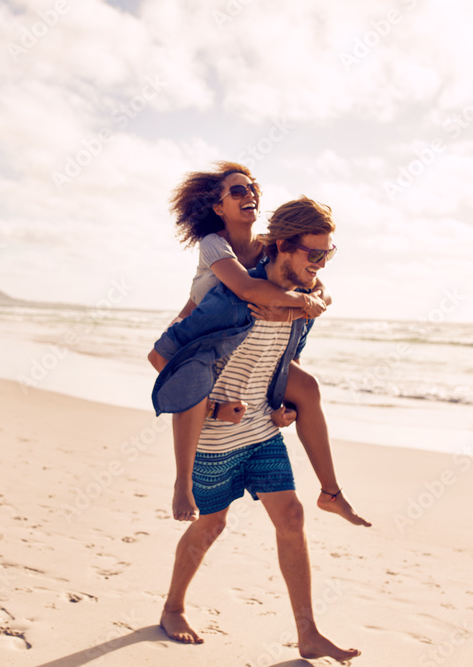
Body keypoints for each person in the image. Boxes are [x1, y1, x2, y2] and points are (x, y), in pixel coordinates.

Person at [149, 197, 362, 660]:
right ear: (283, 247)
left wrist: (282, 403)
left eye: (328, 254)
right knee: (212, 525)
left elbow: (286, 360)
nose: (321, 265)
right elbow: (164, 361)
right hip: (213, 438)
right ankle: (172, 607)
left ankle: (308, 634)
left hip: (261, 431)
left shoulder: (302, 300)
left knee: (292, 517)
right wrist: (213, 407)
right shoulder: (228, 300)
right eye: (315, 254)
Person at [165, 162, 369, 527]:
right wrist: (304, 306)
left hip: (235, 336)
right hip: (197, 333)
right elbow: (247, 290)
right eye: (238, 191)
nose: (250, 194)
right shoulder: (215, 244)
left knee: (306, 386)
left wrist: (311, 303)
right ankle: (183, 482)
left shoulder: (264, 248)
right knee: (193, 384)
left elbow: (311, 283)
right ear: (218, 208)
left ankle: (331, 492)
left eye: (253, 188)